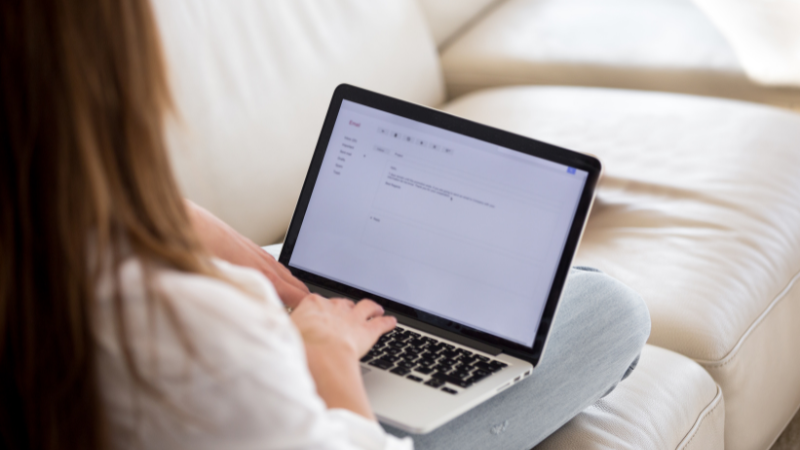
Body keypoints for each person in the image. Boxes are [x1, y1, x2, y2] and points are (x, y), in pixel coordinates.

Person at [0, 1, 650, 449]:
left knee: (358, 291)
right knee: (605, 305)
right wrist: (327, 354)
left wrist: (260, 272)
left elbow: (78, 188)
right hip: (308, 404)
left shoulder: (47, 227)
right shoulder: (190, 325)